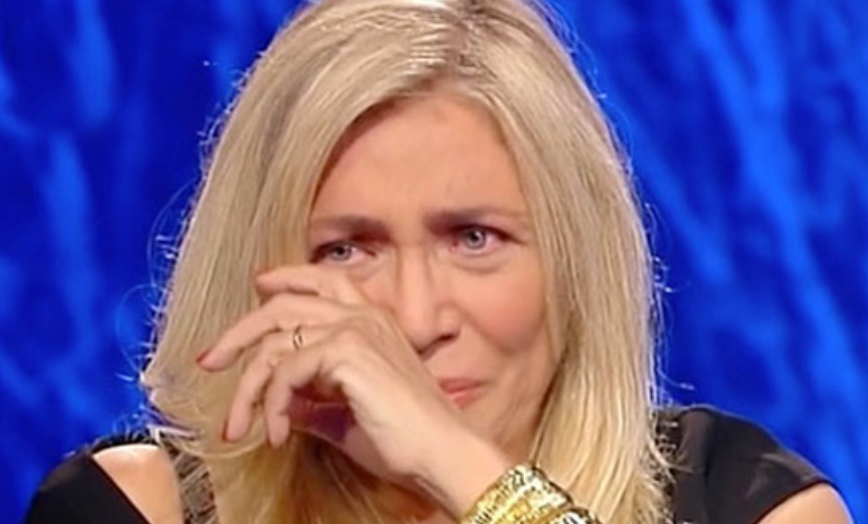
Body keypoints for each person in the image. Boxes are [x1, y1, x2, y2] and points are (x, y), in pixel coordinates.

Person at [24, 0, 853, 523]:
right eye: (346, 249)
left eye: (473, 239)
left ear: (574, 262)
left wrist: (460, 467)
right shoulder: (135, 508)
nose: (416, 321)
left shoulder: (754, 506)